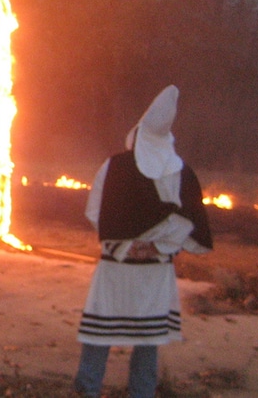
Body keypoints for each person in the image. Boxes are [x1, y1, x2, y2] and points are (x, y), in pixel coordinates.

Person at [74, 85, 213, 398]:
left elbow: (96, 211)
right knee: (146, 340)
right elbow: (188, 222)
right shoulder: (182, 173)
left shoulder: (114, 166)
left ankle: (88, 391)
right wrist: (157, 247)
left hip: (119, 267)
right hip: (153, 270)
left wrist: (126, 245)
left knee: (100, 333)